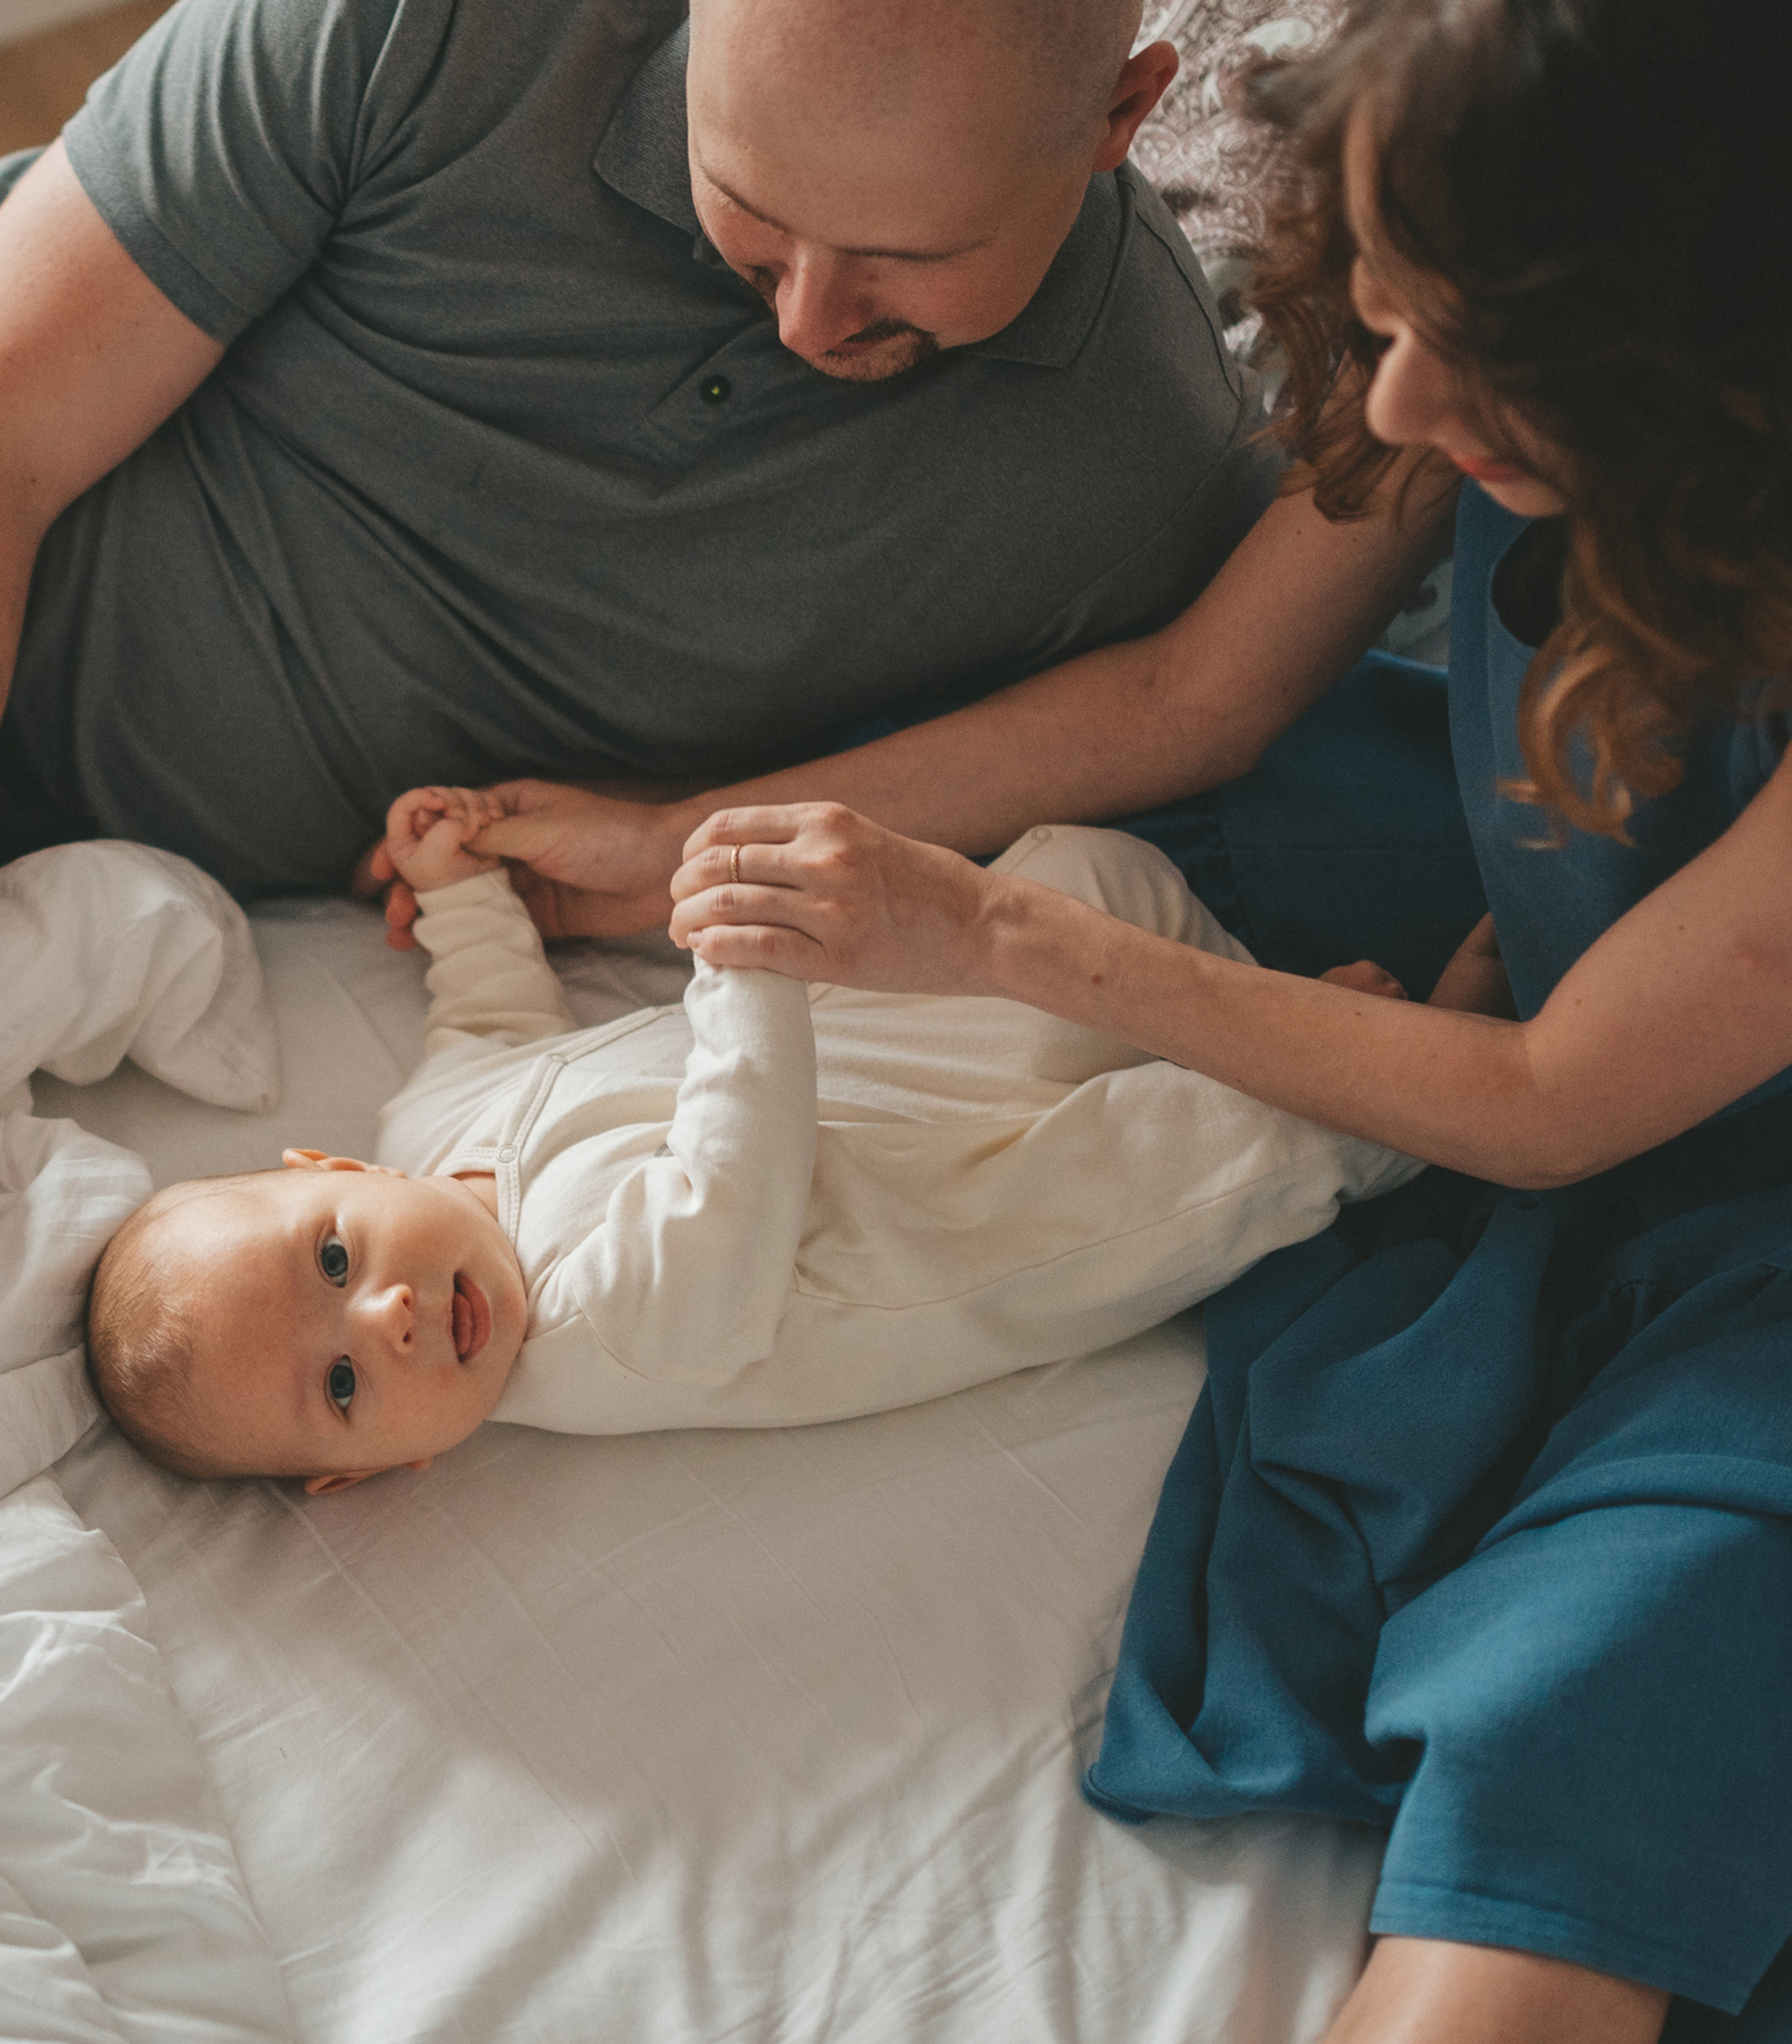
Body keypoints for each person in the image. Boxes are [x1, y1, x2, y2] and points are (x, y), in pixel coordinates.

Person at [660, 0, 1792, 2037]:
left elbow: (1545, 1107)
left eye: (1492, 348)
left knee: (1608, 1673)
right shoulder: (1452, 354)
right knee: (1192, 820)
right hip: (1556, 960)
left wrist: (1005, 941)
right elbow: (1200, 692)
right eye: (1381, 295)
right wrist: (656, 836)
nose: (1414, 384)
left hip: (1678, 1153)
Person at [0, 0, 1279, 1290]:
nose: (811, 318)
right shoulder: (446, 29)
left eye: (908, 259)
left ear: (1121, 112)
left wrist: (677, 838)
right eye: (753, 209)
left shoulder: (1134, 451)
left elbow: (1170, 704)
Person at [87, 783, 1416, 1486]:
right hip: (968, 1206)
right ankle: (1396, 1086)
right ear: (382, 1472)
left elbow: (493, 1013)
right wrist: (745, 971)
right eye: (342, 1392)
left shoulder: (427, 1122)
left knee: (1086, 870)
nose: (383, 1323)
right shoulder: (593, 1341)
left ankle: (1246, 996)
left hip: (915, 1054)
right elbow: (734, 1173)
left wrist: (460, 895)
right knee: (1211, 1159)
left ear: (335, 1171)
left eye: (330, 1262)